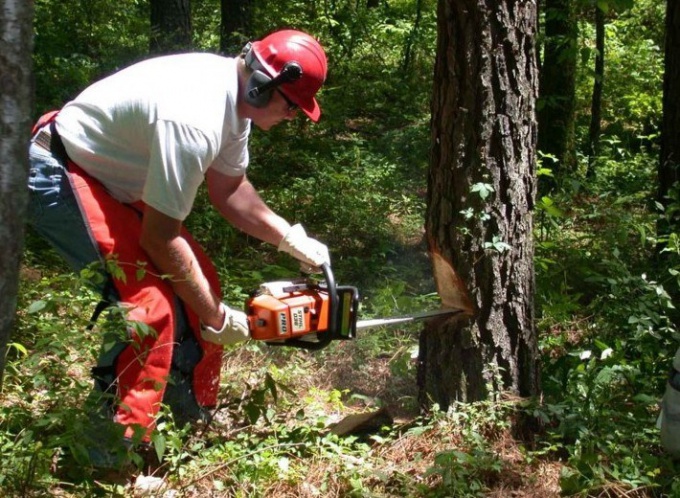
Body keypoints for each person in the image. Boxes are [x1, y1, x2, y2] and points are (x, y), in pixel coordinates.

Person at [27, 29, 331, 467]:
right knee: (148, 312)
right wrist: (217, 318)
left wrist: (287, 236)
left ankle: (182, 422)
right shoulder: (195, 117)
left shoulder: (234, 107)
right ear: (263, 86)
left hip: (111, 178)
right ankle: (103, 459)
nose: (293, 116)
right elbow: (160, 237)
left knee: (200, 282)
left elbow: (229, 189)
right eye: (292, 105)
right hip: (58, 170)